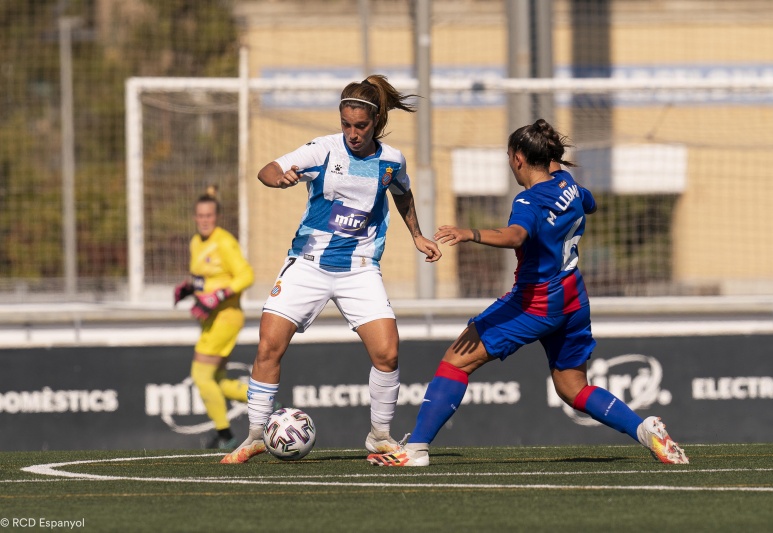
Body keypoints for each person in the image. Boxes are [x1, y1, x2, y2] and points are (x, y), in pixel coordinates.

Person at [367, 119, 689, 467]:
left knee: (456, 361)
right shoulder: (568, 185)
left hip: (536, 302)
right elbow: (590, 203)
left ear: (519, 158)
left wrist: (469, 233)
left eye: (509, 156)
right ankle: (645, 431)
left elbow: (515, 236)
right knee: (572, 388)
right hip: (572, 297)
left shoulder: (527, 201)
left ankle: (415, 450)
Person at [221, 74, 442, 464]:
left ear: (375, 123)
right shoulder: (322, 150)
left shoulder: (391, 161)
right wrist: (280, 180)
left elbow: (403, 194)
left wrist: (417, 236)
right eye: (346, 125)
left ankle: (380, 436)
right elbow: (268, 169)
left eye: (360, 126)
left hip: (359, 268)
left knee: (388, 353)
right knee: (269, 346)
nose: (352, 134)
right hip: (308, 264)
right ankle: (256, 435)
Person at [174, 186, 254, 450]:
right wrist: (189, 287)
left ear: (216, 217)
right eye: (200, 215)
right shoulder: (196, 242)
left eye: (209, 215)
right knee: (216, 380)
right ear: (195, 217)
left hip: (226, 318)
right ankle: (264, 401)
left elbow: (246, 276)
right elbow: (204, 278)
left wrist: (218, 295)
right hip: (210, 320)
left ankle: (225, 436)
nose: (204, 220)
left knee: (200, 375)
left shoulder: (224, 241)